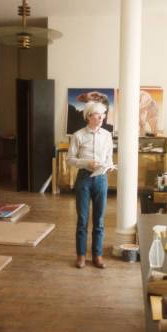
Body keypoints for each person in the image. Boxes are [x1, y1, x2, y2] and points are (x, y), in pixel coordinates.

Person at [67, 101, 114, 269]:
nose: (101, 117)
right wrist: (87, 163)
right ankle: (81, 256)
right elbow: (70, 159)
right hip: (84, 179)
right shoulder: (78, 135)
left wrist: (108, 166)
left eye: (103, 114)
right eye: (97, 114)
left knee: (99, 220)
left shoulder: (107, 135)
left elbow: (109, 158)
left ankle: (97, 255)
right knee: (83, 219)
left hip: (101, 179)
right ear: (88, 116)